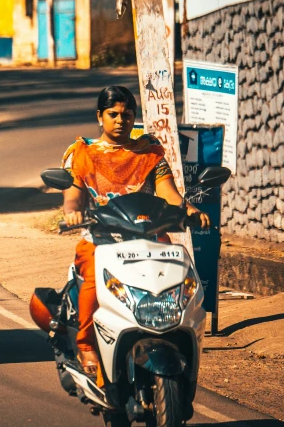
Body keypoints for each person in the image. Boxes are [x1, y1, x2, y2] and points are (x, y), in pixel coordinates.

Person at [60, 86, 209, 380]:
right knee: (92, 280)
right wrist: (72, 212)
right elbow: (72, 196)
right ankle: (86, 344)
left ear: (134, 117)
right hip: (100, 239)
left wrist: (190, 210)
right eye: (112, 114)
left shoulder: (150, 152)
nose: (120, 120)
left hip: (150, 235)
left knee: (180, 275)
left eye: (126, 115)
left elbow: (170, 195)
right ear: (99, 117)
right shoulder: (81, 153)